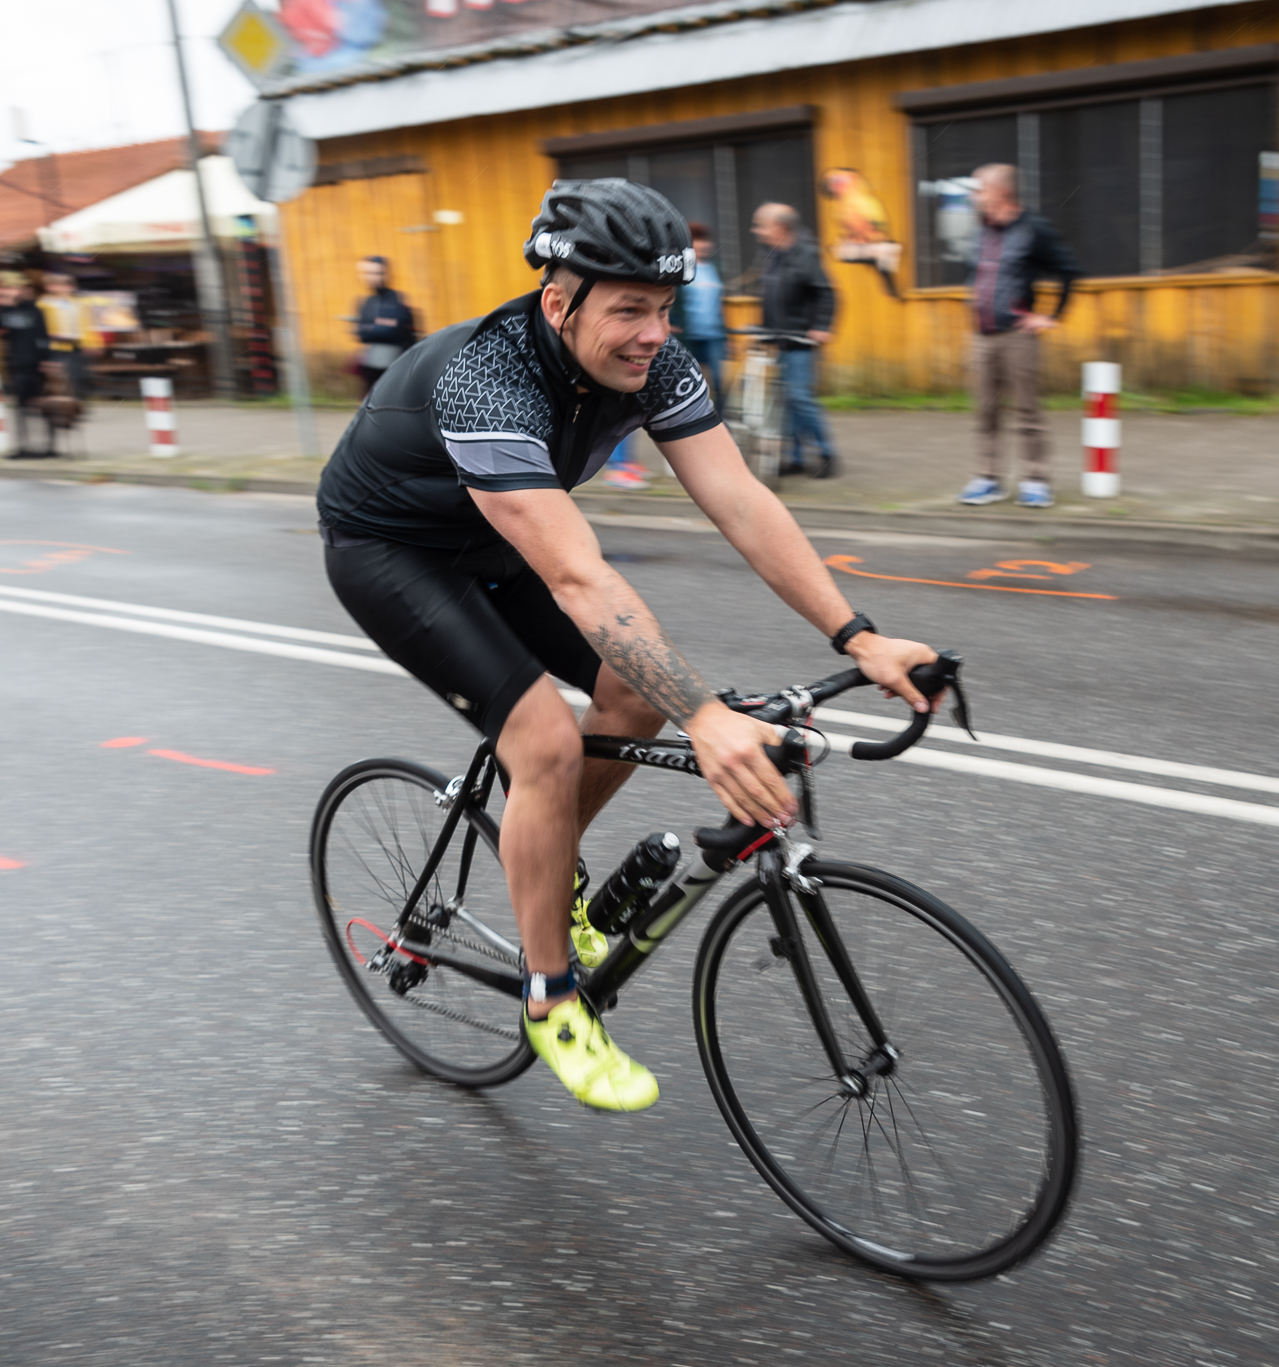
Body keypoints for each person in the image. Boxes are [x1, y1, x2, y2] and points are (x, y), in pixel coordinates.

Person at [317, 179, 939, 1112]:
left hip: (497, 536)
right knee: (544, 742)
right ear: (558, 303)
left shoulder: (660, 364)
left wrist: (859, 635)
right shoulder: (486, 380)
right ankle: (551, 999)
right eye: (629, 310)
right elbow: (579, 577)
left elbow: (742, 503)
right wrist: (709, 718)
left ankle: (547, 858)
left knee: (638, 692)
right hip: (391, 551)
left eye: (665, 307)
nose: (654, 333)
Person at [955, 163, 1081, 511]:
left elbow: (1069, 270)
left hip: (1017, 336)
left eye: (979, 189)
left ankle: (1036, 481)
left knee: (1027, 411)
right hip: (981, 336)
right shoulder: (980, 230)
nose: (974, 196)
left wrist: (1051, 316)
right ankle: (987, 478)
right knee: (986, 411)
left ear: (1000, 191)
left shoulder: (1033, 228)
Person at [751, 203, 838, 479]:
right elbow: (771, 296)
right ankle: (796, 457)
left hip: (800, 341)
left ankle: (826, 454)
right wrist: (762, 329)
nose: (757, 231)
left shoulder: (805, 255)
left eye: (762, 225)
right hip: (781, 340)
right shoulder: (772, 256)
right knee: (785, 400)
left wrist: (821, 326)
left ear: (781, 227)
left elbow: (826, 292)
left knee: (799, 398)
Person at [0, 276, 54, 459]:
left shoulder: (35, 311)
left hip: (33, 365)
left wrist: (46, 360)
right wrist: (0, 303)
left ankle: (43, 446)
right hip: (20, 364)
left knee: (37, 406)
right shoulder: (9, 311)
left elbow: (43, 336)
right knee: (23, 407)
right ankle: (27, 446)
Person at [351, 256, 416, 397]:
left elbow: (393, 330)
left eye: (377, 273)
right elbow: (361, 334)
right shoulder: (366, 302)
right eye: (368, 273)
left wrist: (370, 327)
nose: (372, 277)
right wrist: (379, 325)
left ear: (386, 274)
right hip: (371, 367)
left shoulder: (396, 299)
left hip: (395, 366)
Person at [678, 222, 726, 414]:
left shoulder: (715, 269)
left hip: (714, 335)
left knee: (719, 381)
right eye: (698, 240)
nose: (704, 245)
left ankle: (719, 418)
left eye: (706, 240)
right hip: (689, 336)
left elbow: (720, 303)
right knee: (689, 380)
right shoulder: (682, 269)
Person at [35, 273, 99, 411]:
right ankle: (56, 406)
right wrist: (49, 336)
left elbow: (87, 325)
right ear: (48, 287)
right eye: (56, 285)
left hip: (77, 344)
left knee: (78, 376)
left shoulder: (79, 303)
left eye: (66, 285)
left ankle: (76, 405)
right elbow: (39, 326)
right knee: (57, 378)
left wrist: (93, 343)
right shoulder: (43, 303)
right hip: (54, 346)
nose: (62, 288)